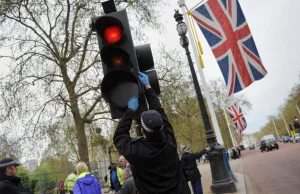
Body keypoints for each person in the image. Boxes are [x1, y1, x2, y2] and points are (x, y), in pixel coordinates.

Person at [113, 72, 190, 194]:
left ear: (143, 131)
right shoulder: (169, 140)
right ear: (161, 126)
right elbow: (159, 111)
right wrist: (148, 86)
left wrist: (130, 111)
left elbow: (119, 136)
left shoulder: (137, 151)